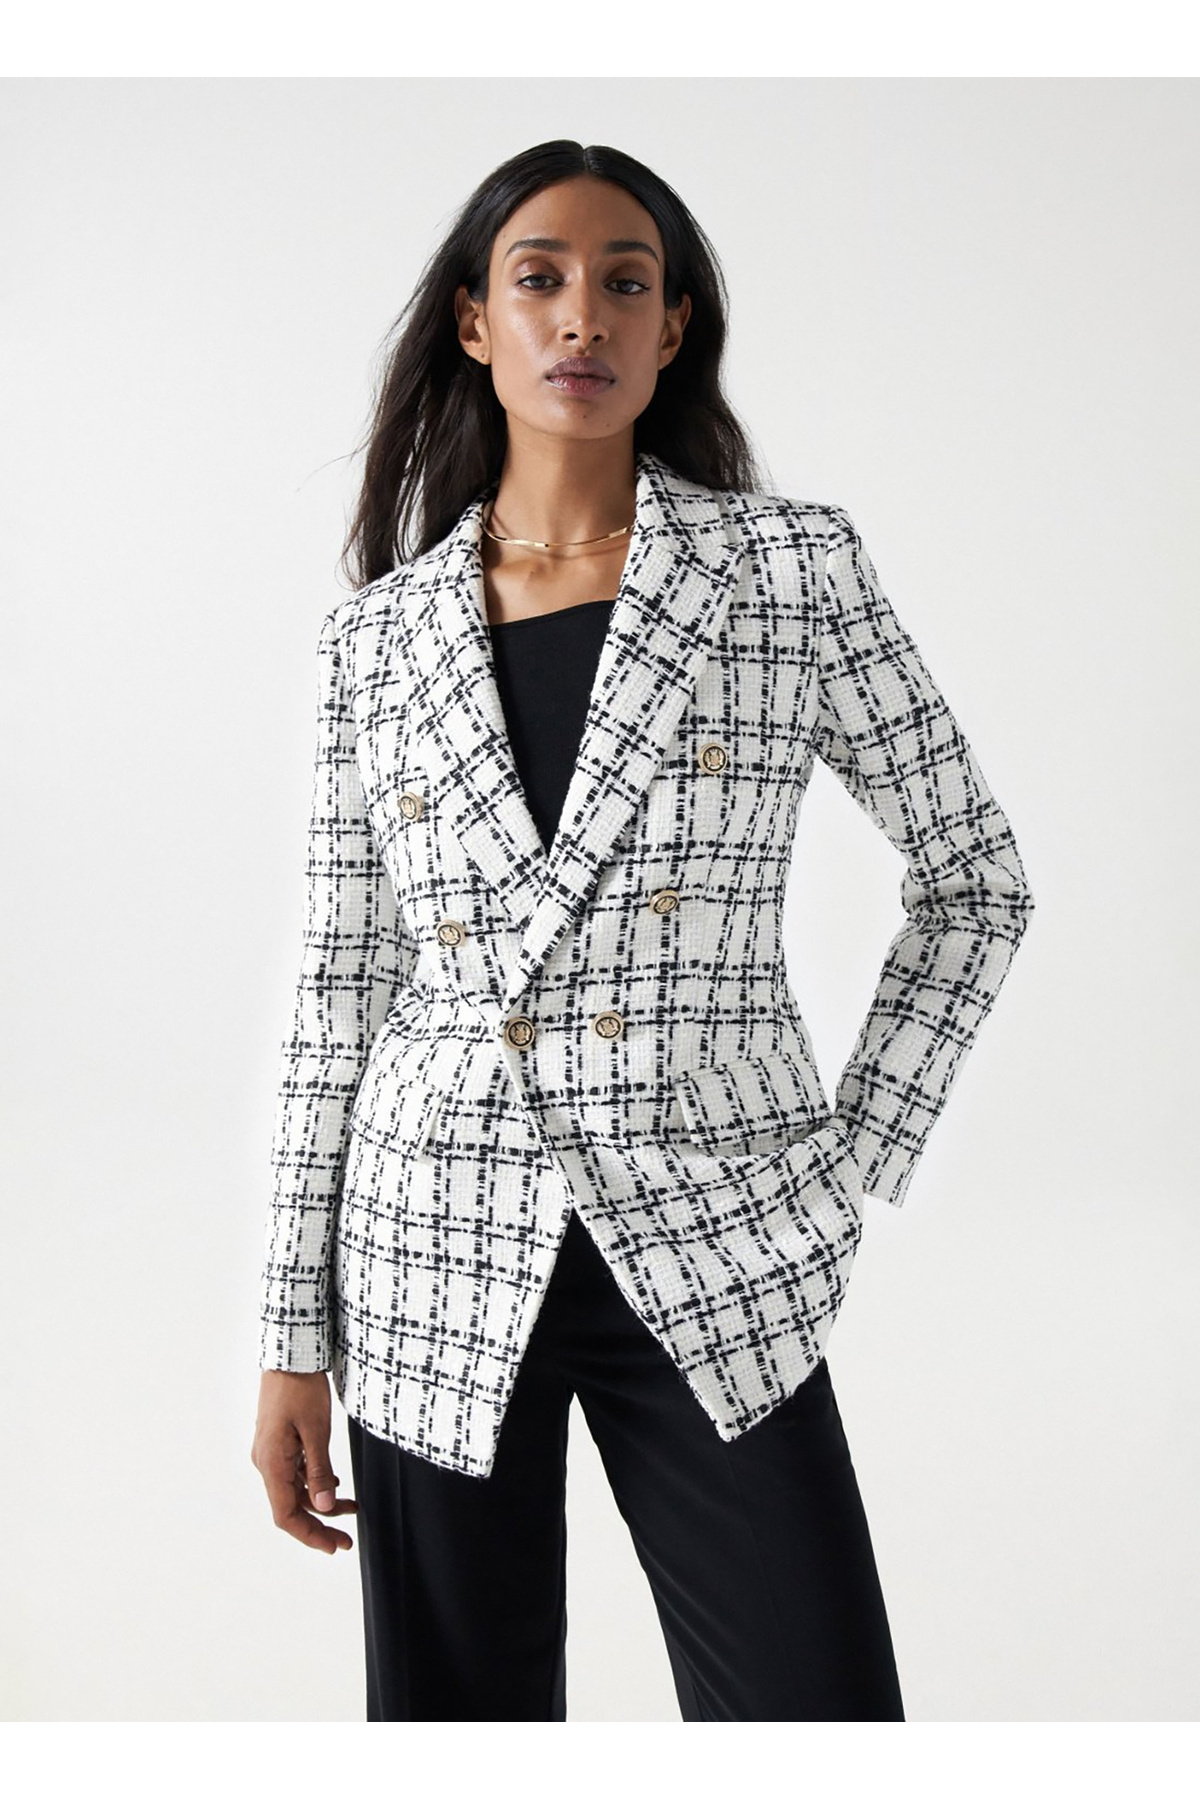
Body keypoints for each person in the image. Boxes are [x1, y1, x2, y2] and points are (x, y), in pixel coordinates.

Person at [250, 140, 1035, 1722]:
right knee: (457, 1722)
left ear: (673, 328)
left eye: (626, 282)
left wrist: (851, 1155)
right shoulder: (377, 642)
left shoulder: (787, 573)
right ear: (475, 320)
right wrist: (290, 1333)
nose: (582, 317)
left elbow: (975, 878)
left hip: (718, 1222)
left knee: (816, 1709)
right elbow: (342, 991)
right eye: (538, 278)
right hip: (429, 1237)